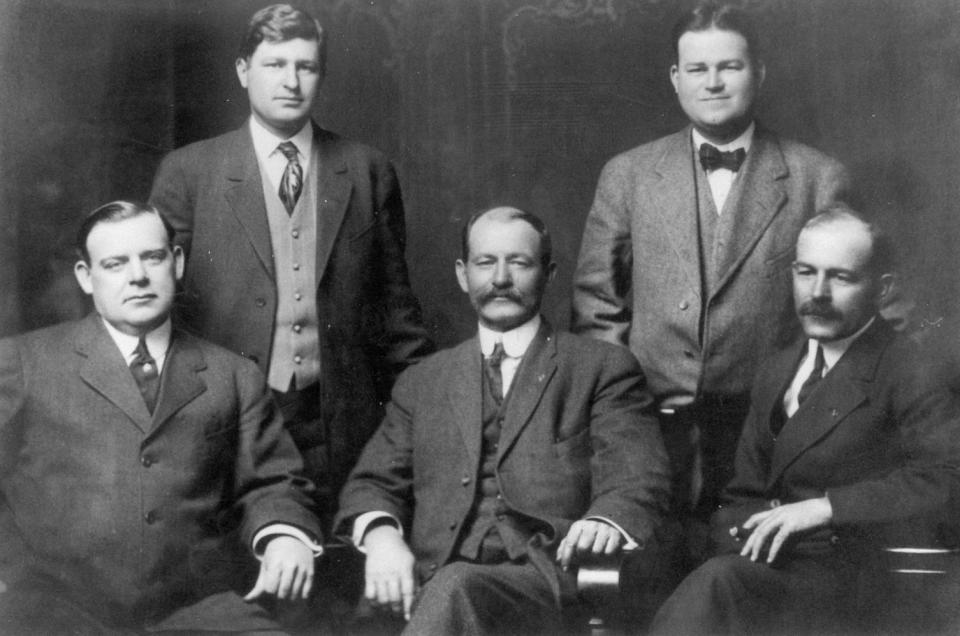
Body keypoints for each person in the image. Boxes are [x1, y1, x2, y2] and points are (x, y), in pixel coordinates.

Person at [571, 1, 851, 562]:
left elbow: (841, 317)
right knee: (647, 581)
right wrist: (625, 412)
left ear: (760, 72)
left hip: (769, 437)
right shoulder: (627, 175)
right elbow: (597, 305)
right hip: (649, 433)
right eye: (698, 70)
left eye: (731, 66)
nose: (714, 82)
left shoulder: (817, 176)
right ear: (676, 79)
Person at [148, 4, 432, 519]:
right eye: (275, 64)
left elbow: (397, 313)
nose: (291, 81)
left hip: (342, 417)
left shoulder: (366, 170)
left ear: (320, 75)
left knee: (342, 572)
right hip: (228, 417)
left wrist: (425, 416)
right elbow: (159, 310)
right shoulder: (190, 172)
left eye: (306, 66)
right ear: (243, 71)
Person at [334, 207, 671, 634]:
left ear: (548, 274)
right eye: (485, 262)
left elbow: (638, 478)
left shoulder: (602, 368)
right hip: (427, 580)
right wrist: (382, 538)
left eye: (519, 262)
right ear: (462, 274)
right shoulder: (423, 380)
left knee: (455, 586)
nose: (500, 279)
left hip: (544, 583)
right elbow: (372, 483)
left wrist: (605, 521)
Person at [0, 201, 324, 633]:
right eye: (115, 264)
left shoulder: (232, 375)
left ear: (176, 262)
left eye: (151, 258)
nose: (137, 276)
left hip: (194, 607)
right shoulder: (23, 362)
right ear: (85, 277)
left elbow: (272, 482)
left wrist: (284, 533)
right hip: (55, 607)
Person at [649, 207, 960, 634]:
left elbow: (946, 479)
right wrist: (760, 526)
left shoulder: (909, 369)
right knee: (706, 576)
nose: (817, 293)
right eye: (805, 272)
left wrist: (825, 508)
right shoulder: (777, 370)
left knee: (718, 585)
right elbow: (743, 494)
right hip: (777, 569)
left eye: (841, 277)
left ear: (882, 289)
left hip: (864, 587)